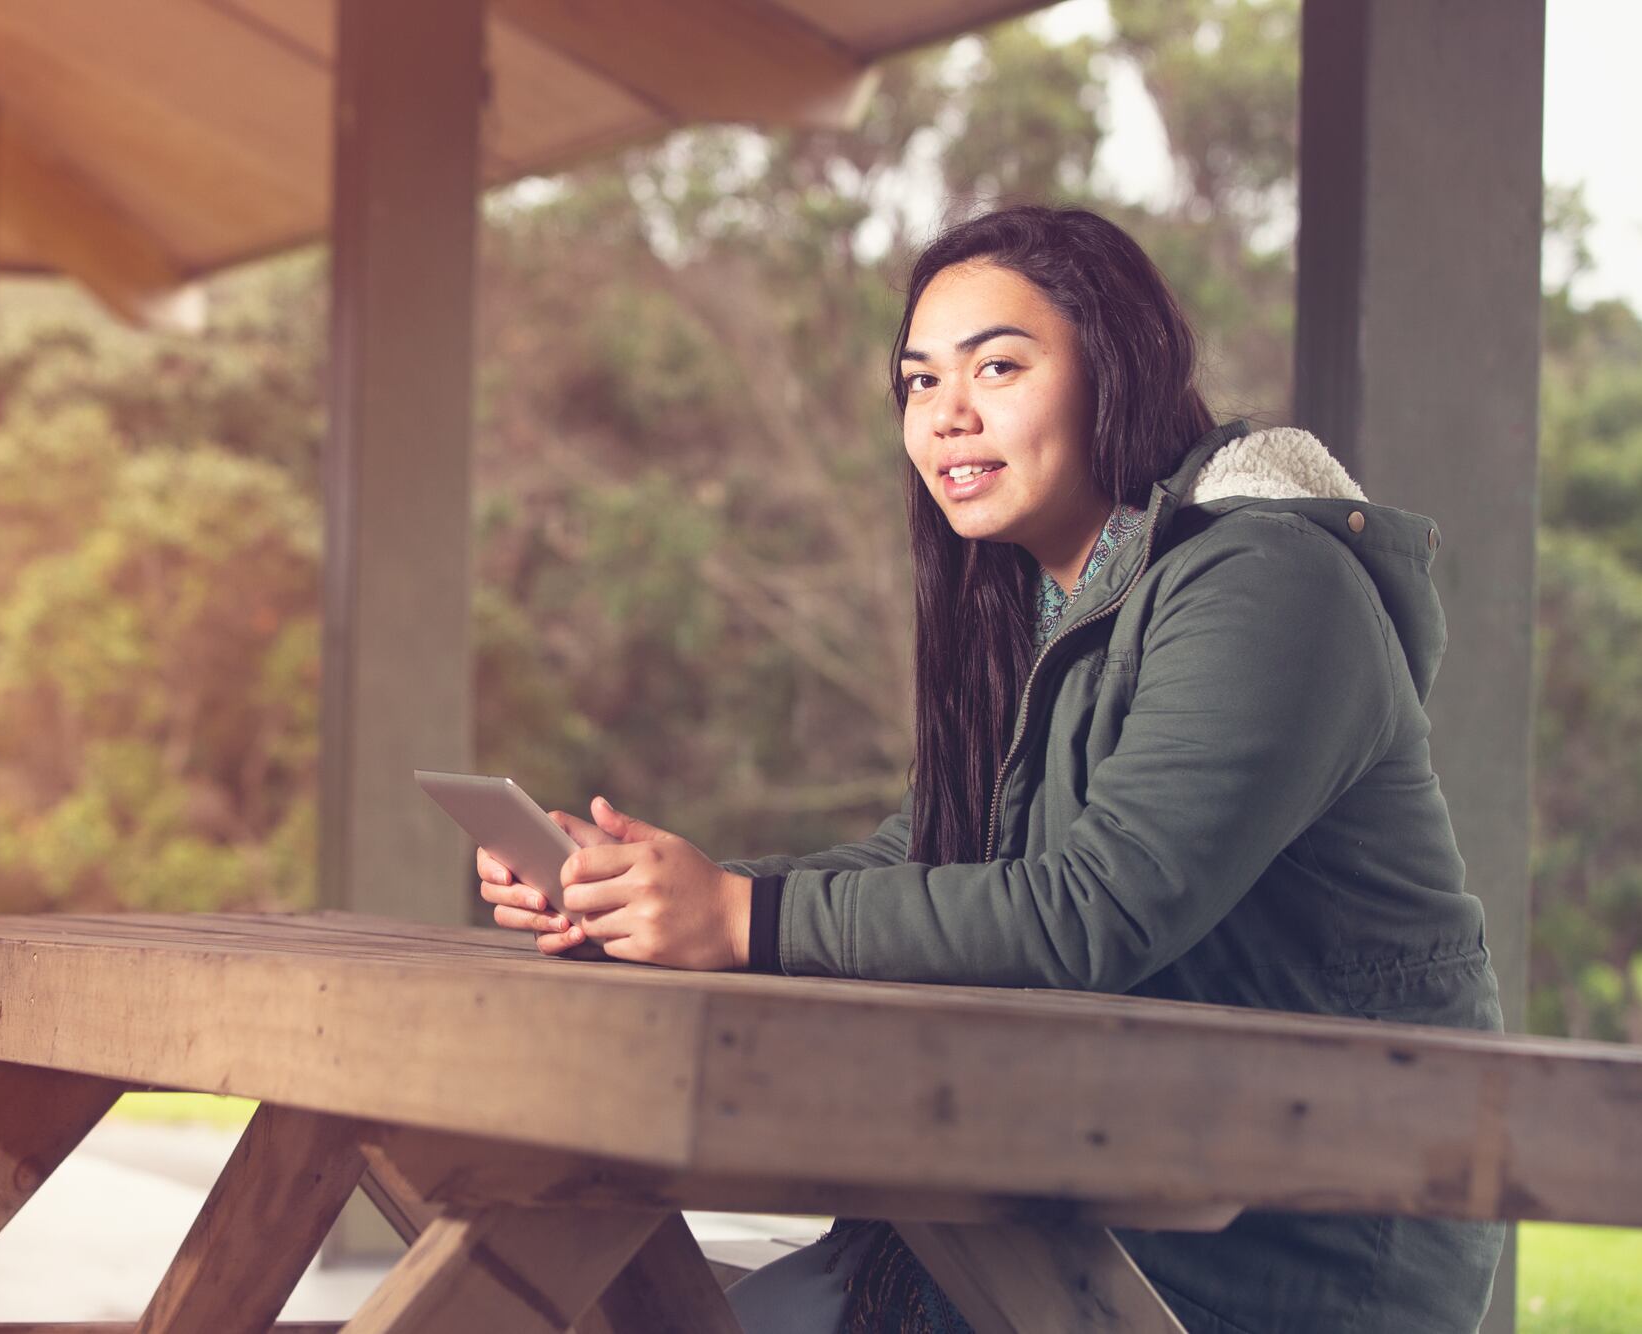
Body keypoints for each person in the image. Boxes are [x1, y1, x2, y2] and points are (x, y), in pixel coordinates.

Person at [474, 205, 1505, 1334]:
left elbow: (1092, 912)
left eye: (997, 366)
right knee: (572, 1304)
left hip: (1287, 1240)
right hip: (1083, 1183)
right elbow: (927, 855)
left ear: (1118, 371)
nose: (944, 415)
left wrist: (737, 916)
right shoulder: (1042, 599)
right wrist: (643, 891)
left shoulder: (1266, 584)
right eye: (916, 382)